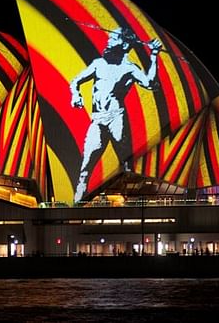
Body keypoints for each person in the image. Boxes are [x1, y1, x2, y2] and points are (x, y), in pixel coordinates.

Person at [69, 26, 162, 202]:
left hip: (116, 119)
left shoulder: (129, 68)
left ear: (126, 45)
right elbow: (75, 81)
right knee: (84, 169)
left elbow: (151, 83)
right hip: (97, 120)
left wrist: (154, 56)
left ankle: (131, 203)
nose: (109, 40)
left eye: (115, 38)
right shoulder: (99, 64)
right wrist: (76, 95)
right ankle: (76, 207)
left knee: (126, 167)